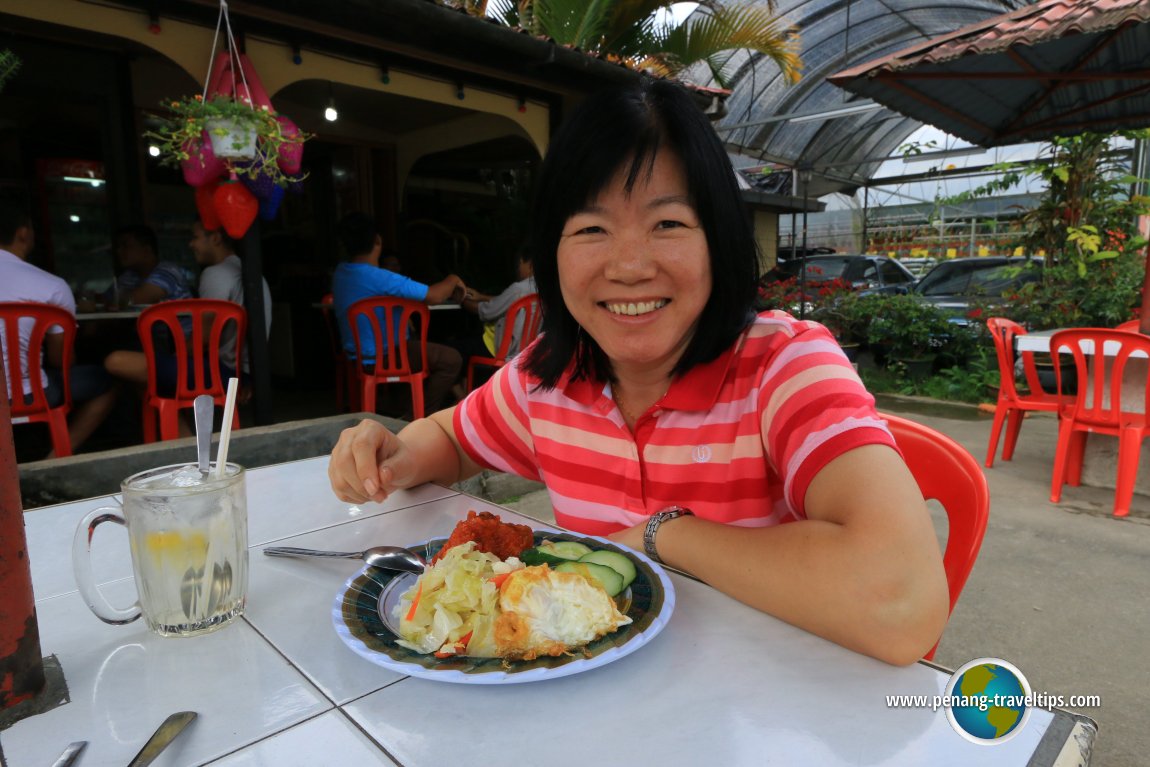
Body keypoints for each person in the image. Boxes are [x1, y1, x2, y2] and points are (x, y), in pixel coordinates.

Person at [326, 80, 948, 665]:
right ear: (552, 253)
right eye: (592, 228)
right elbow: (457, 438)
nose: (628, 266)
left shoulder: (785, 366)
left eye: (667, 224)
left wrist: (662, 538)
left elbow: (901, 603)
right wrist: (395, 455)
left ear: (719, 239)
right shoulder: (548, 376)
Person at [105, 221, 272, 405]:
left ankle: (178, 431)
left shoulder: (215, 273)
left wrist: (174, 359)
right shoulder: (249, 271)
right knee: (143, 372)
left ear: (215, 238)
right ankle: (180, 432)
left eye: (195, 237)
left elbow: (203, 338)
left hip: (224, 373)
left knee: (116, 361)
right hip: (248, 372)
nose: (191, 244)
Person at [0, 207, 117, 455]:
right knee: (106, 382)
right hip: (30, 395)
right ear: (23, 234)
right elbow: (61, 359)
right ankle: (54, 460)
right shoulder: (51, 286)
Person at [332, 212, 466, 415]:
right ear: (378, 240)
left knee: (417, 350)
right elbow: (434, 296)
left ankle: (397, 407)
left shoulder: (340, 274)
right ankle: (419, 416)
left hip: (356, 357)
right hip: (387, 356)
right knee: (451, 359)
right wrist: (453, 278)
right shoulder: (382, 278)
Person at [454, 245, 537, 370]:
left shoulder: (518, 289)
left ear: (528, 263)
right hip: (527, 353)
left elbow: (484, 312)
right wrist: (481, 296)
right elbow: (506, 300)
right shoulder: (544, 290)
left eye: (519, 264)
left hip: (498, 351)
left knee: (452, 351)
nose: (518, 269)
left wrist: (462, 298)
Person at [106, 225, 196, 307]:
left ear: (146, 250)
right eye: (118, 246)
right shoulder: (129, 276)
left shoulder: (168, 271)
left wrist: (115, 299)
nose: (119, 251)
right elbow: (104, 299)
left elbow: (136, 299)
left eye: (125, 246)